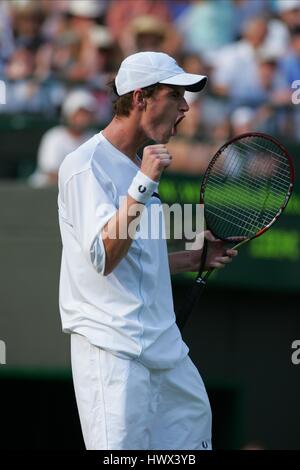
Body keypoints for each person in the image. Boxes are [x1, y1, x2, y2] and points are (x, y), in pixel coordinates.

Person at [58, 51, 238, 450]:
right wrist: (143, 183)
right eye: (176, 95)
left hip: (167, 353)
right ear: (141, 98)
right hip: (113, 352)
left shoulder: (139, 168)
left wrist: (193, 259)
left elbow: (137, 262)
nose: (186, 107)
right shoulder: (84, 165)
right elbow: (104, 257)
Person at [29, 89, 96, 187]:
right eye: (79, 113)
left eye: (87, 114)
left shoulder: (94, 138)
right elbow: (51, 173)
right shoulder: (54, 137)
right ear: (69, 114)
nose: (83, 118)